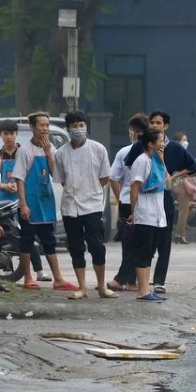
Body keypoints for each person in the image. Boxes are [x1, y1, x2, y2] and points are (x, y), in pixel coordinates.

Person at [123, 111, 196, 294]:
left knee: (163, 241)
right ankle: (138, 283)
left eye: (159, 122)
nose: (155, 125)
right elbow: (131, 168)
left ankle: (158, 281)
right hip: (144, 199)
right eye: (152, 122)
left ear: (166, 126)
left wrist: (174, 176)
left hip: (163, 197)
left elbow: (193, 167)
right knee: (143, 244)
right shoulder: (141, 151)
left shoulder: (174, 148)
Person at [56, 110, 119, 300]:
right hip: (70, 207)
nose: (78, 129)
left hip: (92, 206)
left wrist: (90, 191)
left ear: (86, 126)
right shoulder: (61, 153)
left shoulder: (98, 149)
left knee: (97, 246)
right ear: (68, 129)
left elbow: (105, 177)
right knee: (76, 247)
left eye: (80, 125)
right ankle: (82, 287)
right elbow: (61, 179)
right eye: (74, 126)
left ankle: (101, 286)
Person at [13, 111, 76, 291]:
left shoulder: (51, 149)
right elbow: (19, 179)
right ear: (33, 127)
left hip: (46, 203)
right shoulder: (24, 150)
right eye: (42, 125)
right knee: (26, 241)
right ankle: (28, 278)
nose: (45, 129)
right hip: (30, 204)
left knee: (49, 241)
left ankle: (58, 279)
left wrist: (49, 154)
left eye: (47, 125)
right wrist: (23, 204)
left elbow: (55, 174)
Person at [0, 119, 48, 283]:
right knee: (3, 235)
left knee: (28, 236)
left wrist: (19, 188)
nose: (9, 137)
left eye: (12, 133)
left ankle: (38, 271)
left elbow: (30, 176)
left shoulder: (23, 153)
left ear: (16, 134)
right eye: (5, 133)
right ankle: (7, 269)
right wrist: (4, 186)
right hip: (3, 200)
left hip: (21, 200)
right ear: (0, 135)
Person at [127, 129, 172, 302]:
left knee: (150, 253)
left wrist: (162, 162)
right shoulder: (142, 161)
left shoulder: (156, 161)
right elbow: (135, 187)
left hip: (157, 215)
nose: (163, 143)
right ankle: (142, 290)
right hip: (145, 213)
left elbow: (168, 184)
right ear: (151, 144)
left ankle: (146, 289)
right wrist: (134, 211)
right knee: (143, 253)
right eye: (161, 140)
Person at [107, 113, 150, 292]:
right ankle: (133, 281)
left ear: (131, 132)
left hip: (127, 201)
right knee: (141, 244)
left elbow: (113, 178)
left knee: (129, 243)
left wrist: (120, 198)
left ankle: (124, 279)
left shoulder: (124, 152)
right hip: (146, 202)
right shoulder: (152, 152)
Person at [171, 130, 196, 244]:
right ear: (178, 142)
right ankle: (179, 235)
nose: (186, 142)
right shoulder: (179, 154)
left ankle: (179, 231)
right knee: (184, 210)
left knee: (188, 210)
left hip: (173, 182)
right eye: (184, 140)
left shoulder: (174, 152)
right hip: (179, 183)